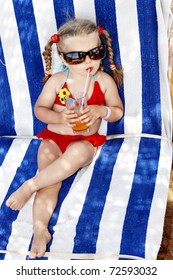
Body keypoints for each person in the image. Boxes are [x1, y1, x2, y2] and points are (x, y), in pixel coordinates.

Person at [6, 18, 123, 258]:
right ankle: (40, 230)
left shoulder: (104, 81)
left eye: (94, 52)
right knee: (51, 179)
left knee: (78, 154)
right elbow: (40, 109)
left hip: (85, 142)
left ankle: (30, 185)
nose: (88, 61)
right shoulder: (59, 83)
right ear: (63, 58)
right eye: (77, 57)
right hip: (53, 138)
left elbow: (117, 111)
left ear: (101, 49)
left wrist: (102, 111)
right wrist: (60, 119)